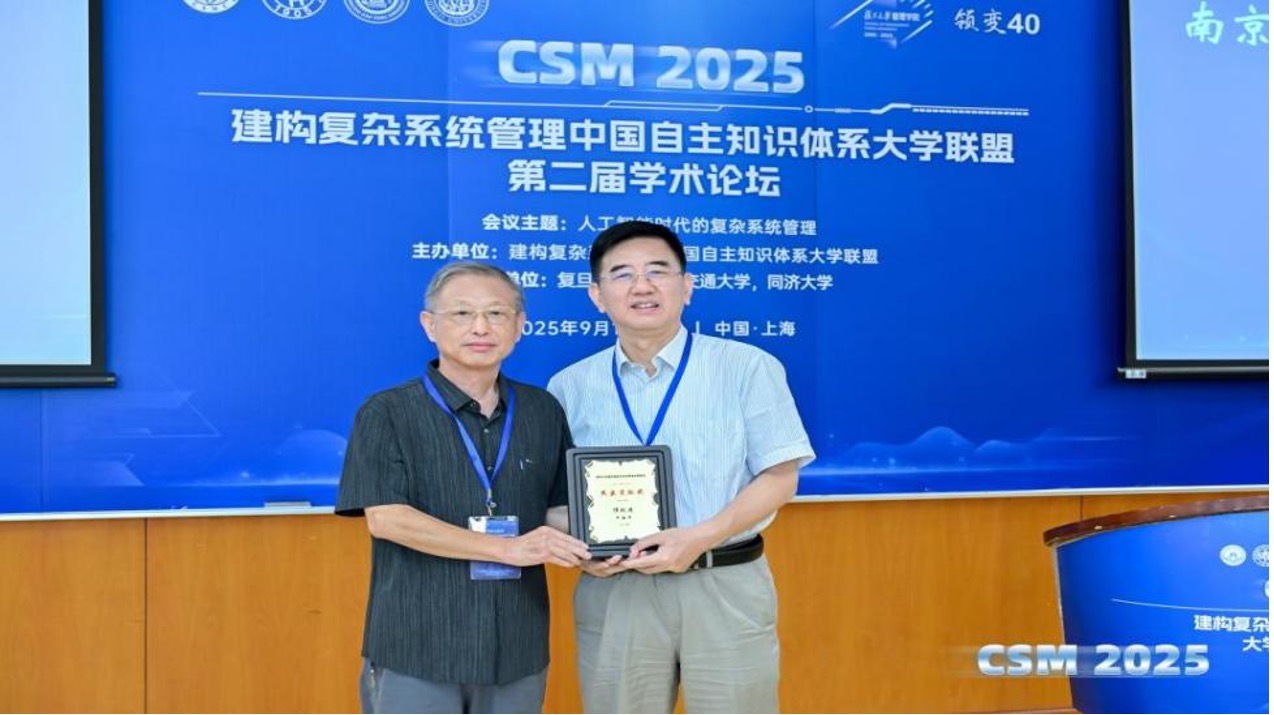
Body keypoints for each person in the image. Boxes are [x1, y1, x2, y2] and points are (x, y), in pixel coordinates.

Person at [547, 221, 816, 714]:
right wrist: (581, 550)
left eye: (658, 271)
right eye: (622, 274)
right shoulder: (569, 386)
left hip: (722, 581)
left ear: (687, 286)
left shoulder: (747, 367)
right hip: (618, 590)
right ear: (597, 295)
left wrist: (700, 536)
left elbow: (781, 477)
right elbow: (554, 498)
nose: (642, 286)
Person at [337, 261, 590, 714]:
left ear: (519, 326)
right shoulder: (387, 412)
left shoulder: (542, 410)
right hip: (419, 648)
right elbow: (388, 520)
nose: (480, 327)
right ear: (429, 325)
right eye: (461, 313)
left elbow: (556, 511)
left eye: (496, 313)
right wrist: (507, 549)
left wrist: (612, 543)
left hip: (517, 646)